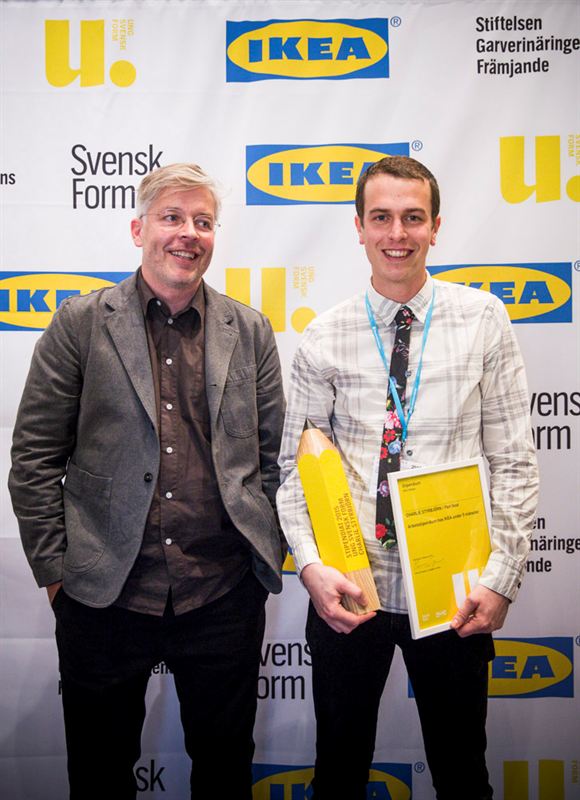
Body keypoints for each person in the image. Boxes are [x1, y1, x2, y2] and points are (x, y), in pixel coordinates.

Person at [9, 163, 286, 800]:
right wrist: (57, 576)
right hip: (104, 597)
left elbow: (272, 461)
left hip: (221, 593)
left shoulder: (249, 331)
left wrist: (259, 561)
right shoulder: (80, 324)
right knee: (100, 778)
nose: (188, 233)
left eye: (203, 221)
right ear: (139, 230)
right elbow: (34, 458)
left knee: (225, 774)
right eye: (172, 217)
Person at [276, 156, 538, 799]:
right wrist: (311, 569)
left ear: (436, 226)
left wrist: (501, 578)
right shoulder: (324, 336)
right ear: (359, 227)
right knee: (338, 774)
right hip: (350, 586)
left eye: (413, 217)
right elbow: (293, 472)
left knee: (462, 774)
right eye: (382, 217)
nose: (397, 233)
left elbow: (514, 460)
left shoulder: (484, 320)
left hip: (454, 592)